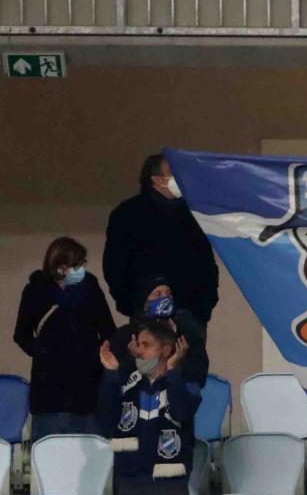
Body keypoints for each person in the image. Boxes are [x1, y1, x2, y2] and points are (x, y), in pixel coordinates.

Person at [96, 321, 200, 495]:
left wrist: (172, 370)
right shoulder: (127, 383)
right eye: (138, 345)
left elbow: (182, 411)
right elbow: (105, 423)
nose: (139, 350)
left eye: (146, 345)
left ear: (166, 350)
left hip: (171, 485)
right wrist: (111, 374)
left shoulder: (186, 383)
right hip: (131, 483)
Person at [103, 154, 219, 331]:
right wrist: (132, 303)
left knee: (190, 358)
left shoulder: (192, 214)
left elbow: (206, 262)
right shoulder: (127, 214)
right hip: (147, 312)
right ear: (157, 180)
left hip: (191, 312)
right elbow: (115, 265)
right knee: (149, 358)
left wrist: (205, 303)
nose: (180, 178)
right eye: (173, 173)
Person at [13, 236, 115, 437]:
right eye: (77, 265)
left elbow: (107, 328)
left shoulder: (90, 288)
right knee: (50, 453)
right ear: (60, 267)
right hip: (49, 386)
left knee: (91, 452)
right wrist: (43, 352)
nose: (82, 269)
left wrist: (97, 354)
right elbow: (21, 334)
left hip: (88, 384)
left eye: (83, 264)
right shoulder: (36, 290)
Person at [129, 275, 209, 387]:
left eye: (168, 293)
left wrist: (174, 347)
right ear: (145, 300)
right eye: (158, 294)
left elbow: (199, 374)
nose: (165, 298)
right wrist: (136, 358)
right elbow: (123, 381)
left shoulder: (185, 325)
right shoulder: (132, 331)